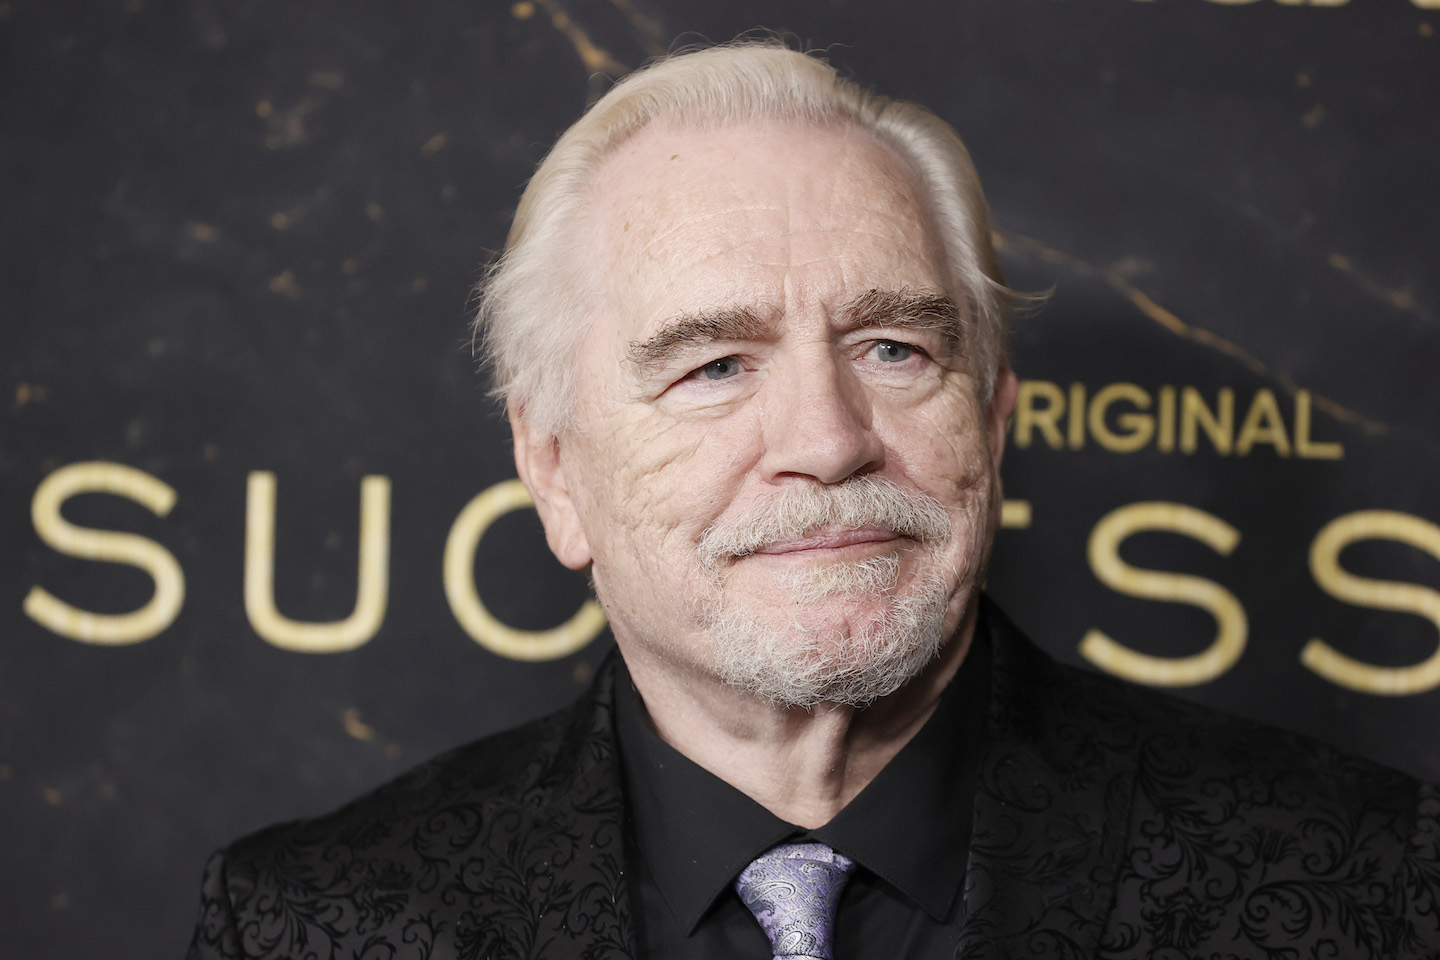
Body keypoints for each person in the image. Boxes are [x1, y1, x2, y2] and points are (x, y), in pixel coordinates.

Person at [186, 42, 1440, 960]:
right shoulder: (315, 926)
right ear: (554, 469)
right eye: (714, 367)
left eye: (894, 349)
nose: (829, 441)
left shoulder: (1374, 888)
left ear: (994, 420)